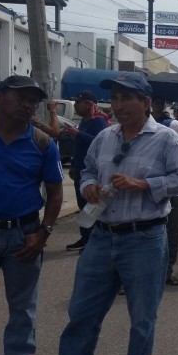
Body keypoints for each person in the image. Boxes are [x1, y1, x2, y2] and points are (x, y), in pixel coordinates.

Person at [38, 71, 178, 355]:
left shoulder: (166, 139)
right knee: (81, 312)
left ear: (146, 103)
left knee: (142, 317)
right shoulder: (105, 137)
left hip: (145, 237)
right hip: (101, 235)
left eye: (127, 98)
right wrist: (87, 187)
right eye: (116, 99)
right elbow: (88, 170)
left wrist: (147, 185)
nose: (120, 105)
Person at [0, 75, 63, 355]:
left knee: (22, 308)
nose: (28, 105)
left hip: (23, 236)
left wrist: (44, 232)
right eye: (21, 97)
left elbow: (55, 191)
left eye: (33, 100)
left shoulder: (42, 143)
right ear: (2, 96)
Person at [62, 91, 110, 252]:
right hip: (81, 171)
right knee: (83, 206)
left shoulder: (99, 122)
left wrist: (78, 133)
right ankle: (85, 237)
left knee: (92, 208)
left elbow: (99, 144)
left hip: (93, 173)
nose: (76, 105)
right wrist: (74, 165)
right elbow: (79, 147)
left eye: (79, 102)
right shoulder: (84, 121)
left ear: (89, 104)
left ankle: (93, 240)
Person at [152, 96, 178, 286]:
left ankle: (167, 271)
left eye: (158, 102)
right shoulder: (134, 130)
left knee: (173, 234)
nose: (155, 105)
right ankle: (135, 278)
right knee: (147, 236)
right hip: (153, 191)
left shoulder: (173, 125)